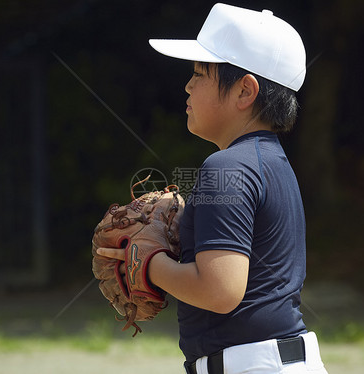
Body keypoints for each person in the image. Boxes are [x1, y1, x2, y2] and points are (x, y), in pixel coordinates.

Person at [97, 3, 329, 374]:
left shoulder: (226, 167)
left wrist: (147, 262)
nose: (188, 85)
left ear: (245, 90)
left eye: (200, 73)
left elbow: (220, 292)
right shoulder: (272, 162)